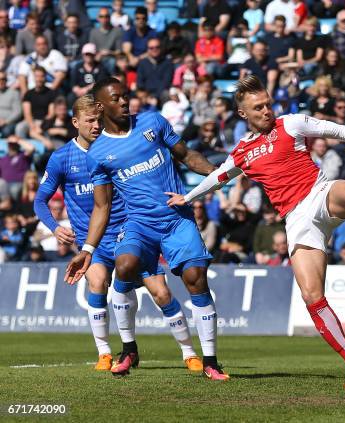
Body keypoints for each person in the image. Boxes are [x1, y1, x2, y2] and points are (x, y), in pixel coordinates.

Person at [165, 75, 345, 390]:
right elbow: (218, 177)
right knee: (312, 296)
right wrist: (187, 198)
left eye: (268, 104)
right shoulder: (243, 151)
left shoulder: (291, 123)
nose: (266, 111)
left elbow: (336, 129)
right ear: (243, 114)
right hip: (297, 220)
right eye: (258, 107)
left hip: (318, 193)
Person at [63, 79, 228, 380]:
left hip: (176, 218)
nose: (125, 102)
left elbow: (186, 154)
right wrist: (87, 250)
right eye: (117, 98)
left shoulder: (152, 122)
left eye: (126, 96)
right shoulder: (97, 154)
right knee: (124, 266)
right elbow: (102, 207)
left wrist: (218, 172)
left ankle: (211, 361)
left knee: (195, 278)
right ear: (101, 107)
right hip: (138, 223)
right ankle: (129, 349)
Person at [34, 95, 204, 374]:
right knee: (98, 281)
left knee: (161, 292)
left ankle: (189, 353)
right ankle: (105, 353)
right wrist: (55, 227)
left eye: (98, 120)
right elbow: (40, 201)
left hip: (130, 231)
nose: (96, 125)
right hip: (95, 242)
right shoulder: (62, 158)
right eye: (89, 121)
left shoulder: (115, 149)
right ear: (75, 122)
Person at [0, 70, 21, 136]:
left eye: (3, 79)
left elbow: (18, 112)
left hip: (9, 122)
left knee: (6, 131)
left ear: (6, 80)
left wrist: (5, 121)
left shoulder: (14, 93)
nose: (1, 81)